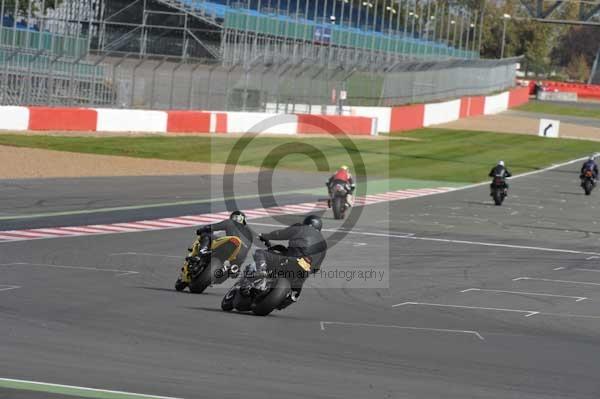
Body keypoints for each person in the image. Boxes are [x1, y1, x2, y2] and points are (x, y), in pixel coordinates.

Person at [253, 215, 327, 303]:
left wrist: (265, 236)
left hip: (293, 259)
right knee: (295, 293)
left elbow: (281, 234)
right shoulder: (324, 244)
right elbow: (316, 268)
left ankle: (261, 270)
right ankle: (291, 297)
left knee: (260, 252)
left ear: (307, 223)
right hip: (304, 270)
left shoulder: (302, 228)